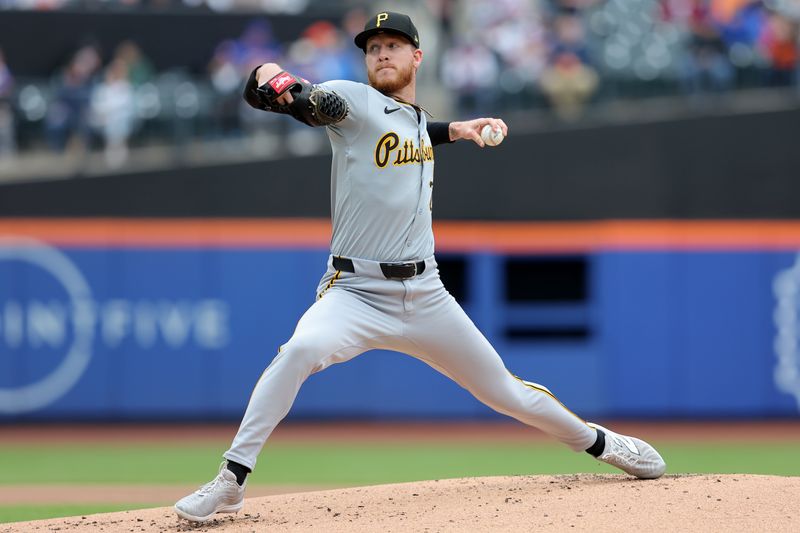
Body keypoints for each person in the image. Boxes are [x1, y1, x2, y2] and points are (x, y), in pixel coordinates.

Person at [174, 12, 666, 524]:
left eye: (393, 44)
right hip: (356, 292)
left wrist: (455, 129)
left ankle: (603, 443)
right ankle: (231, 480)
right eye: (373, 47)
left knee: (506, 392)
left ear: (417, 56)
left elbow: (411, 130)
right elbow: (302, 100)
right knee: (298, 350)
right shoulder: (352, 102)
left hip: (425, 293)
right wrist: (269, 76)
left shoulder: (411, 119)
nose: (382, 53)